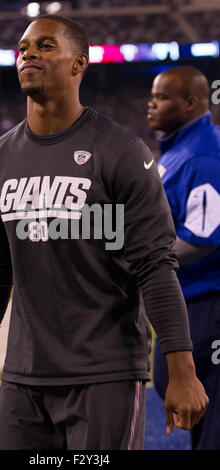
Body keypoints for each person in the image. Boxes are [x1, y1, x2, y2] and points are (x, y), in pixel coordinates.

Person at [0, 16, 208, 450]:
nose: (28, 53)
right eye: (23, 47)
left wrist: (183, 370)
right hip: (23, 376)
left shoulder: (120, 152)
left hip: (105, 372)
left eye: (45, 45)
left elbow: (155, 265)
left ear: (80, 63)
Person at [147, 65, 220, 450]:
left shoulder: (203, 155)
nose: (151, 104)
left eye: (161, 97)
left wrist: (140, 260)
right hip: (188, 301)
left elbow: (203, 240)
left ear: (191, 102)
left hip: (208, 303)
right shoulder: (179, 151)